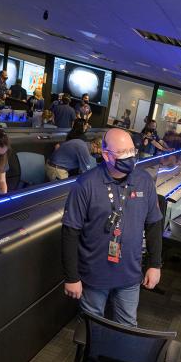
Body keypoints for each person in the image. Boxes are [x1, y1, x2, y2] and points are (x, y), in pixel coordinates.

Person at [61, 128, 163, 327]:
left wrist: (155, 264)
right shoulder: (86, 184)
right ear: (106, 155)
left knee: (127, 327)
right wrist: (71, 277)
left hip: (130, 274)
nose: (131, 157)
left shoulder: (144, 181)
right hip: (94, 274)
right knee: (92, 328)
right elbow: (70, 233)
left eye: (132, 151)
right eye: (123, 153)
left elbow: (153, 225)